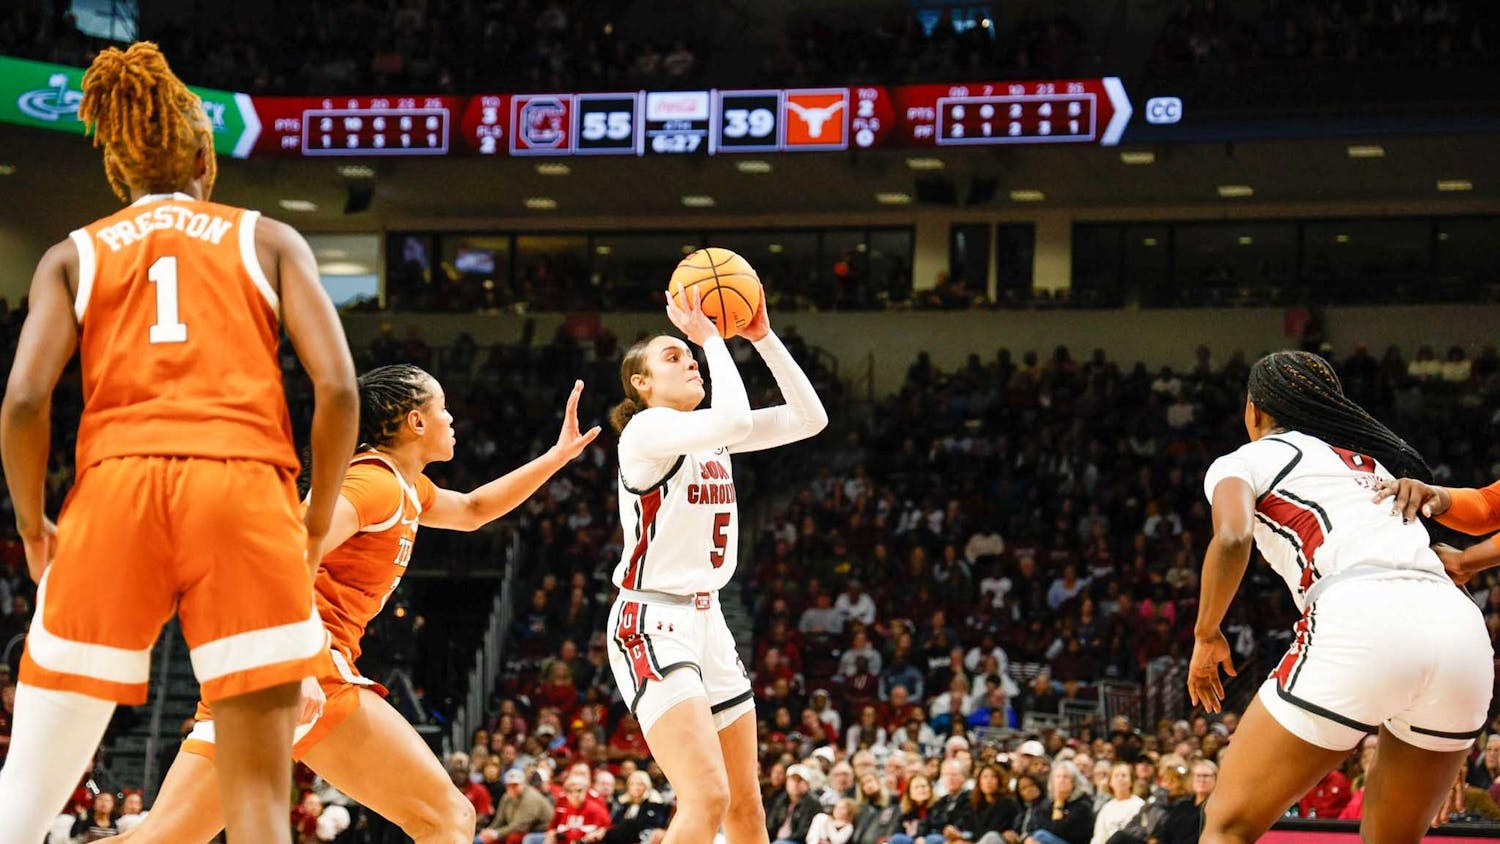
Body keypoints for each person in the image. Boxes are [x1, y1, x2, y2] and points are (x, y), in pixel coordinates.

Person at [0, 41, 360, 844]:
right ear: (206, 156)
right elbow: (337, 388)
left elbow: (24, 401)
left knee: (22, 799)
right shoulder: (267, 239)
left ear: (116, 171)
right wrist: (314, 517)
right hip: (243, 489)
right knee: (262, 807)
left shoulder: (73, 253)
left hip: (115, 488)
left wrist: (32, 525)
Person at [115, 366, 599, 843]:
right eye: (443, 408)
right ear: (415, 421)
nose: (452, 419)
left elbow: (473, 511)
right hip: (302, 667)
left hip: (250, 668)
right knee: (447, 819)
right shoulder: (376, 485)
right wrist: (302, 665)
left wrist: (557, 456)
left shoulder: (407, 488)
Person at [1189, 350, 1493, 844]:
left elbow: (1230, 538)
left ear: (1255, 410)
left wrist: (1206, 634)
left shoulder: (1244, 459)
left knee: (1226, 825)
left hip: (1360, 615)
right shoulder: (1371, 464)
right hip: (1461, 633)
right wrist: (1447, 742)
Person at [606, 284, 827, 844]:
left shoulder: (710, 435)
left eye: (689, 353)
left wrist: (764, 337)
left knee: (747, 809)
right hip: (651, 621)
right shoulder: (646, 429)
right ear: (642, 384)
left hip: (709, 621)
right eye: (672, 356)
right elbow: (730, 419)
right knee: (706, 797)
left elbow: (810, 418)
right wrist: (710, 338)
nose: (691, 360)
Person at [479, 769, 555, 844]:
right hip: (524, 829)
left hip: (542, 831)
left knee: (514, 838)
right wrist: (489, 831)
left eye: (515, 785)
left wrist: (495, 834)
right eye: (509, 785)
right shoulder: (506, 797)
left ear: (523, 784)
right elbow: (499, 820)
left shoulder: (530, 797)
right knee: (484, 839)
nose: (512, 788)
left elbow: (520, 826)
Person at [1090, 763, 1142, 844]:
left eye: (1124, 775)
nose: (1120, 779)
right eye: (1116, 776)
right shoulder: (1106, 808)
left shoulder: (1140, 805)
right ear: (1110, 782)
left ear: (1131, 781)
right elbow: (1098, 838)